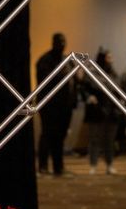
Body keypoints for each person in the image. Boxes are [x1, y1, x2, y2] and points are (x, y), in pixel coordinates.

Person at [35, 33, 71, 176]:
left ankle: (58, 166)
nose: (62, 44)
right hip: (49, 105)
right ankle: (43, 165)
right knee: (47, 134)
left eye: (64, 41)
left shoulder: (66, 59)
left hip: (64, 105)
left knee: (60, 137)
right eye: (60, 41)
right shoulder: (45, 60)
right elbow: (46, 81)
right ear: (54, 43)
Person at [79, 48, 119, 175]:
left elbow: (117, 90)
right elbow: (84, 89)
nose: (110, 60)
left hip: (110, 111)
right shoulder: (91, 73)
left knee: (109, 140)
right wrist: (89, 97)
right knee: (94, 139)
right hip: (96, 111)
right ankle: (93, 165)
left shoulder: (113, 73)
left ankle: (110, 165)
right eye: (108, 57)